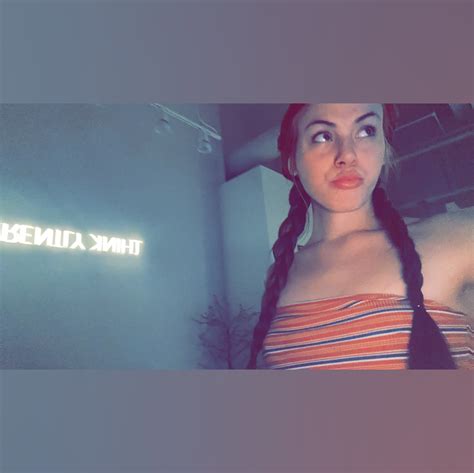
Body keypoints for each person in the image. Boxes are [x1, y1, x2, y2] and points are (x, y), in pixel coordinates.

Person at [247, 103, 473, 370]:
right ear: (292, 162)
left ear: (384, 151)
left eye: (366, 131)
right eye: (323, 136)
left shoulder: (458, 239)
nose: (348, 154)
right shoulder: (278, 275)